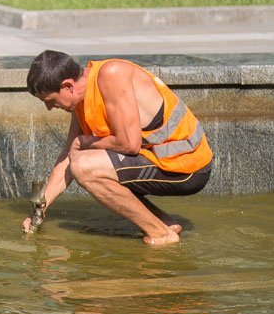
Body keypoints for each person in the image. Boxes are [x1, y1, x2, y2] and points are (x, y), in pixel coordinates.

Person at [24, 50, 213, 245]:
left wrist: (84, 142)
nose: (49, 108)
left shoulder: (111, 75)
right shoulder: (81, 98)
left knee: (84, 166)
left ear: (68, 86)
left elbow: (129, 144)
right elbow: (68, 156)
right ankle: (165, 224)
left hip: (188, 166)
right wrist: (40, 209)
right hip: (159, 160)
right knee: (80, 160)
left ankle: (160, 234)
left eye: (50, 101)